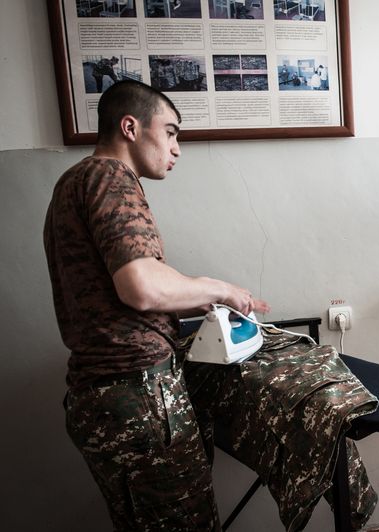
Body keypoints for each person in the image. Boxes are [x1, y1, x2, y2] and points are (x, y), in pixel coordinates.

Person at [44, 80, 269, 530]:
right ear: (130, 127)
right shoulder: (110, 178)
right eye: (170, 132)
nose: (177, 148)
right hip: (136, 394)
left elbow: (120, 294)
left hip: (104, 398)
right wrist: (220, 289)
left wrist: (197, 299)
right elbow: (142, 287)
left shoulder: (73, 182)